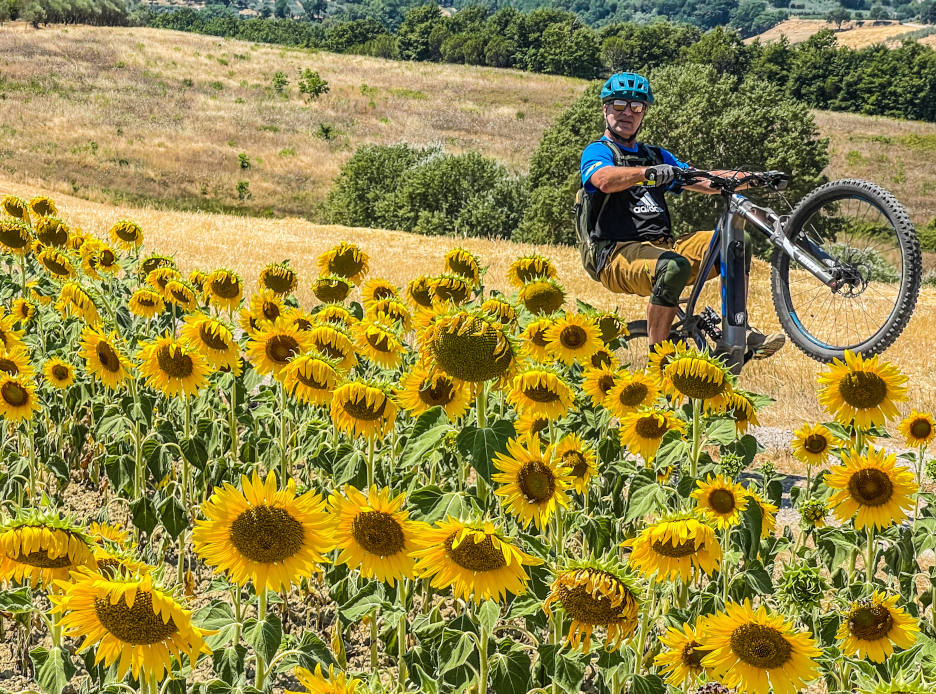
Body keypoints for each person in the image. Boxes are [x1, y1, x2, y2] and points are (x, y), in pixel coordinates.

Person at [580, 71, 785, 360]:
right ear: (605, 108)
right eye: (619, 105)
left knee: (735, 241)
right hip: (615, 254)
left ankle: (736, 332)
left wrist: (756, 178)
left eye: (636, 107)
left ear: (643, 113)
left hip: (663, 246)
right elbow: (603, 179)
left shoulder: (656, 155)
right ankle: (660, 360)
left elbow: (705, 180)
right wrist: (646, 174)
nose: (627, 113)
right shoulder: (599, 151)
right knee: (673, 267)